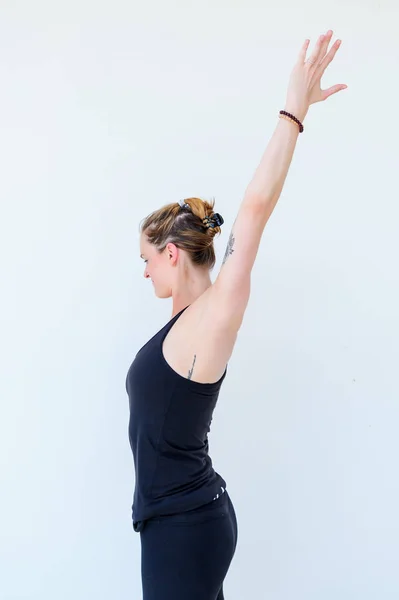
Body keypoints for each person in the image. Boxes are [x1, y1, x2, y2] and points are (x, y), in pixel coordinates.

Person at [126, 29, 347, 600]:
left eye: (147, 259)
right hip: (182, 522)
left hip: (184, 530)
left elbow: (252, 209)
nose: (145, 272)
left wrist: (292, 111)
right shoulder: (187, 321)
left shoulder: (215, 313)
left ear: (170, 253)